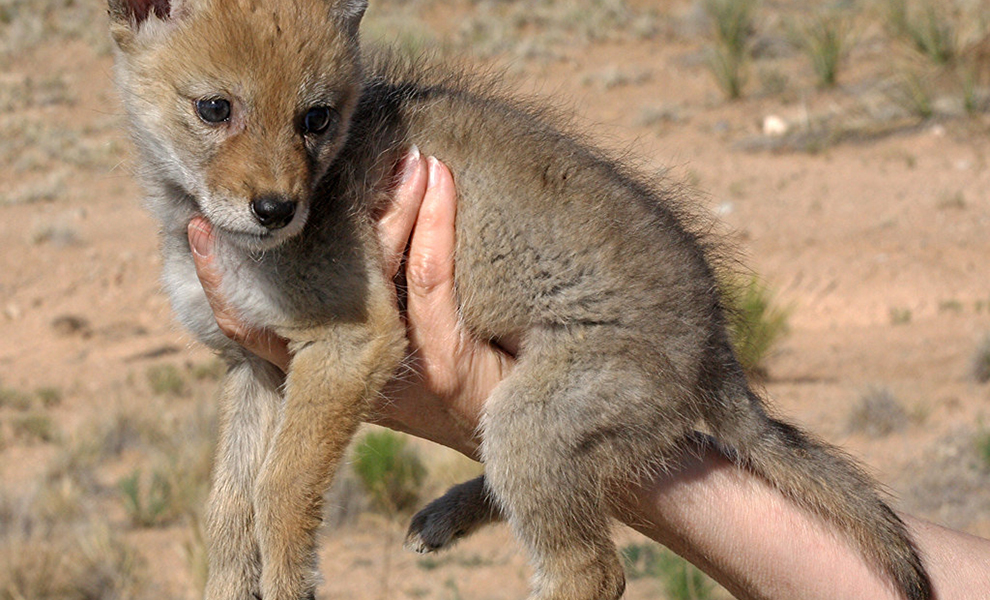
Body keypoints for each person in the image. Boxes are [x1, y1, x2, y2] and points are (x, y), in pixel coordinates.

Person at [187, 151, 990, 599]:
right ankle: (515, 479)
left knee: (525, 429)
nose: (285, 171)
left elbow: (343, 348)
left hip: (609, 328)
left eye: (317, 124)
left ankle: (575, 565)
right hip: (625, 331)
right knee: (523, 432)